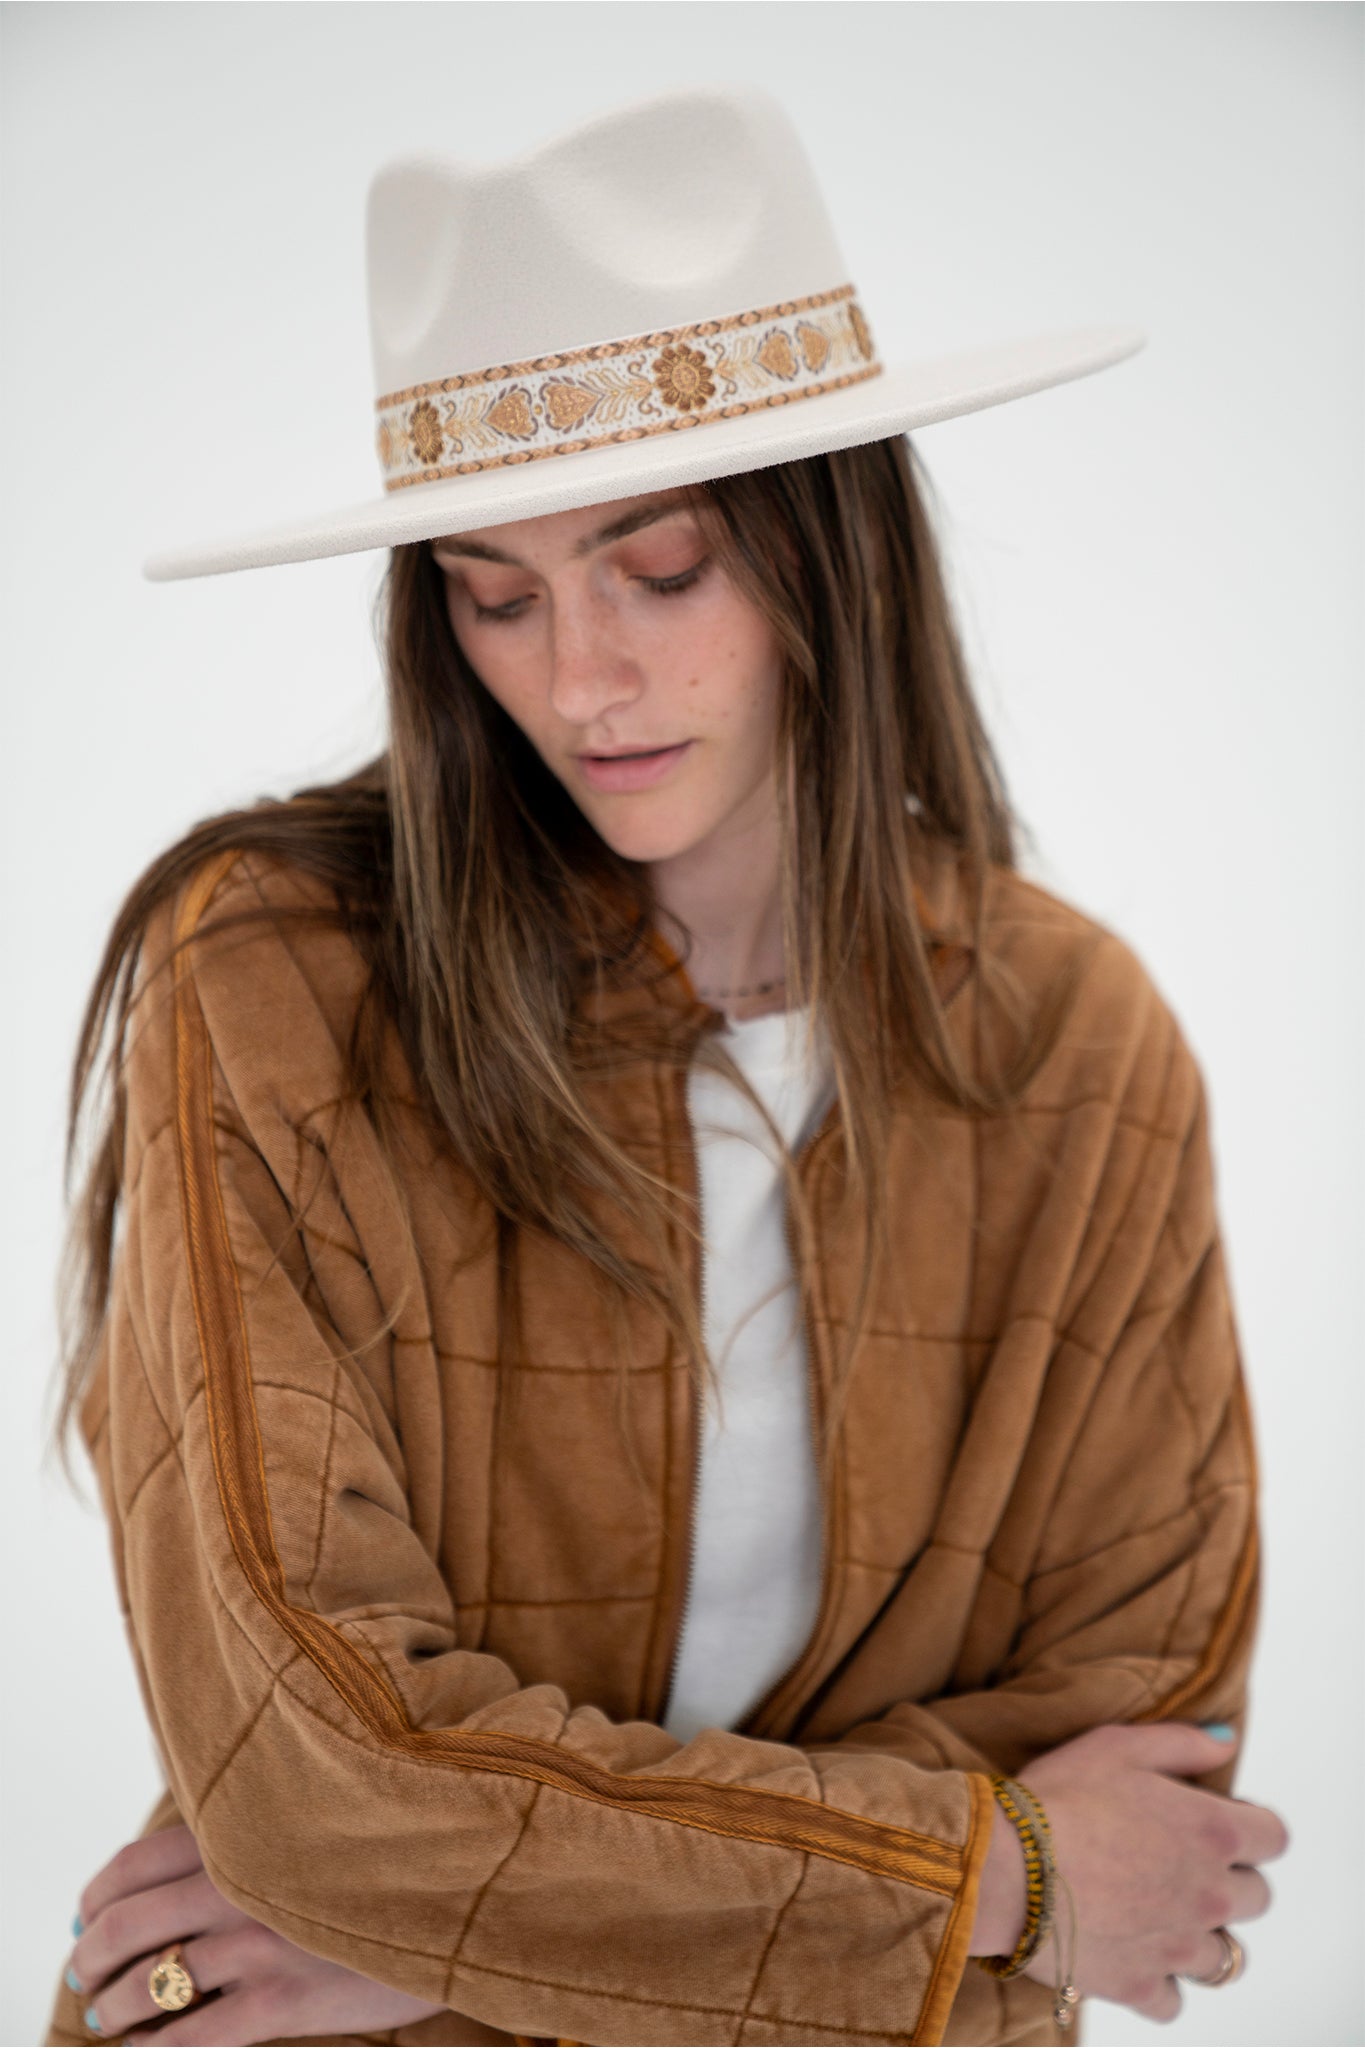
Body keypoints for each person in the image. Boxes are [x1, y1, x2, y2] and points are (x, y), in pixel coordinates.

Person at [42, 84, 1286, 2048]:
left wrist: (421, 1939)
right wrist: (986, 1880)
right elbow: (312, 1776)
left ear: (827, 551)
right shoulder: (270, 985)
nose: (575, 679)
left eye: (662, 565)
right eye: (490, 590)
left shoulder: (1082, 1047)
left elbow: (1151, 1790)